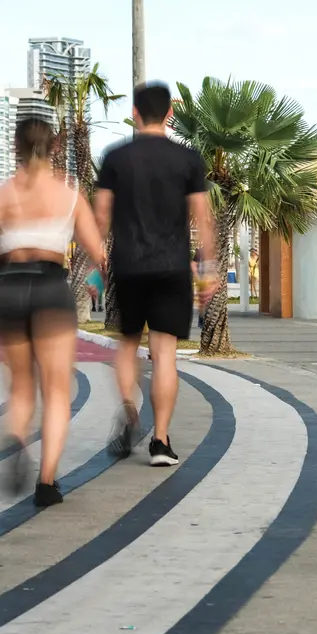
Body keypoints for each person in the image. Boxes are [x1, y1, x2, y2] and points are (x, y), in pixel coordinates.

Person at [0, 119, 105, 507]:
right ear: (54, 148)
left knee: (21, 384)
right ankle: (47, 482)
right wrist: (98, 278)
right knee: (58, 388)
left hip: (9, 286)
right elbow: (98, 251)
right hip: (49, 286)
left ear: (16, 148)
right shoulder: (70, 194)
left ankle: (15, 436)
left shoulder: (1, 193)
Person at [95, 82, 218, 468]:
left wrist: (96, 268)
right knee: (165, 355)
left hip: (128, 266)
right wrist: (208, 271)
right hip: (171, 267)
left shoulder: (116, 157)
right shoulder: (187, 159)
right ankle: (161, 441)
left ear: (135, 112)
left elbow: (99, 217)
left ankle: (131, 409)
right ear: (168, 114)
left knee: (127, 346)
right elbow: (204, 219)